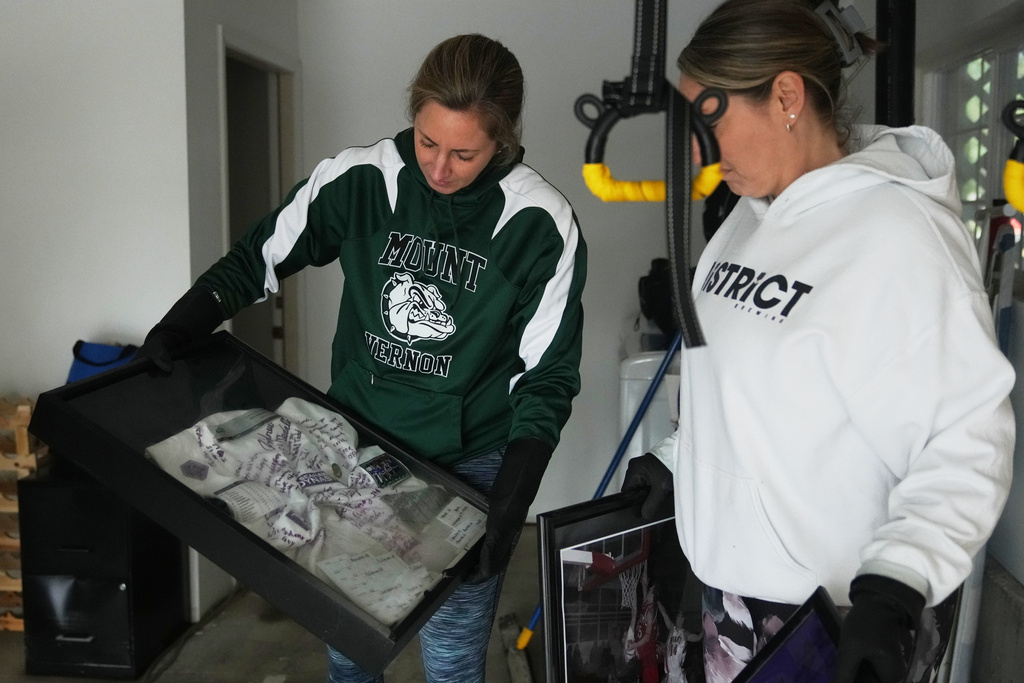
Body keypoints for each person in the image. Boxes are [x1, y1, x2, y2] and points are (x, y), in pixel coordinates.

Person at [137, 33, 587, 683]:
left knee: (453, 657)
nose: (438, 168)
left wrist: (511, 503)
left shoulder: (539, 222)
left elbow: (546, 376)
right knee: (351, 643)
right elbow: (260, 255)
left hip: (470, 458)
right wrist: (181, 323)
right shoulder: (363, 179)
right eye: (427, 142)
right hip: (354, 444)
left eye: (464, 153)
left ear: (505, 141)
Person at [621, 1, 1015, 682]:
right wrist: (676, 462)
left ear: (785, 96)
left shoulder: (899, 236)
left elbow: (968, 436)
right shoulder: (746, 221)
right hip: (732, 595)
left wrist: (896, 586)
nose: (693, 151)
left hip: (832, 618)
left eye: (707, 120)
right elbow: (744, 386)